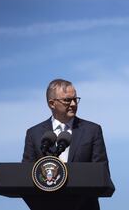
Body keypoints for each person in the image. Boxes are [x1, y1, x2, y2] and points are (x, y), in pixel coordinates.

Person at [22, 79, 112, 210]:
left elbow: (101, 173)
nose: (74, 104)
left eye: (76, 99)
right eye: (67, 100)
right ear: (52, 104)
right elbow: (25, 177)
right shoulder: (34, 134)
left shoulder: (92, 130)